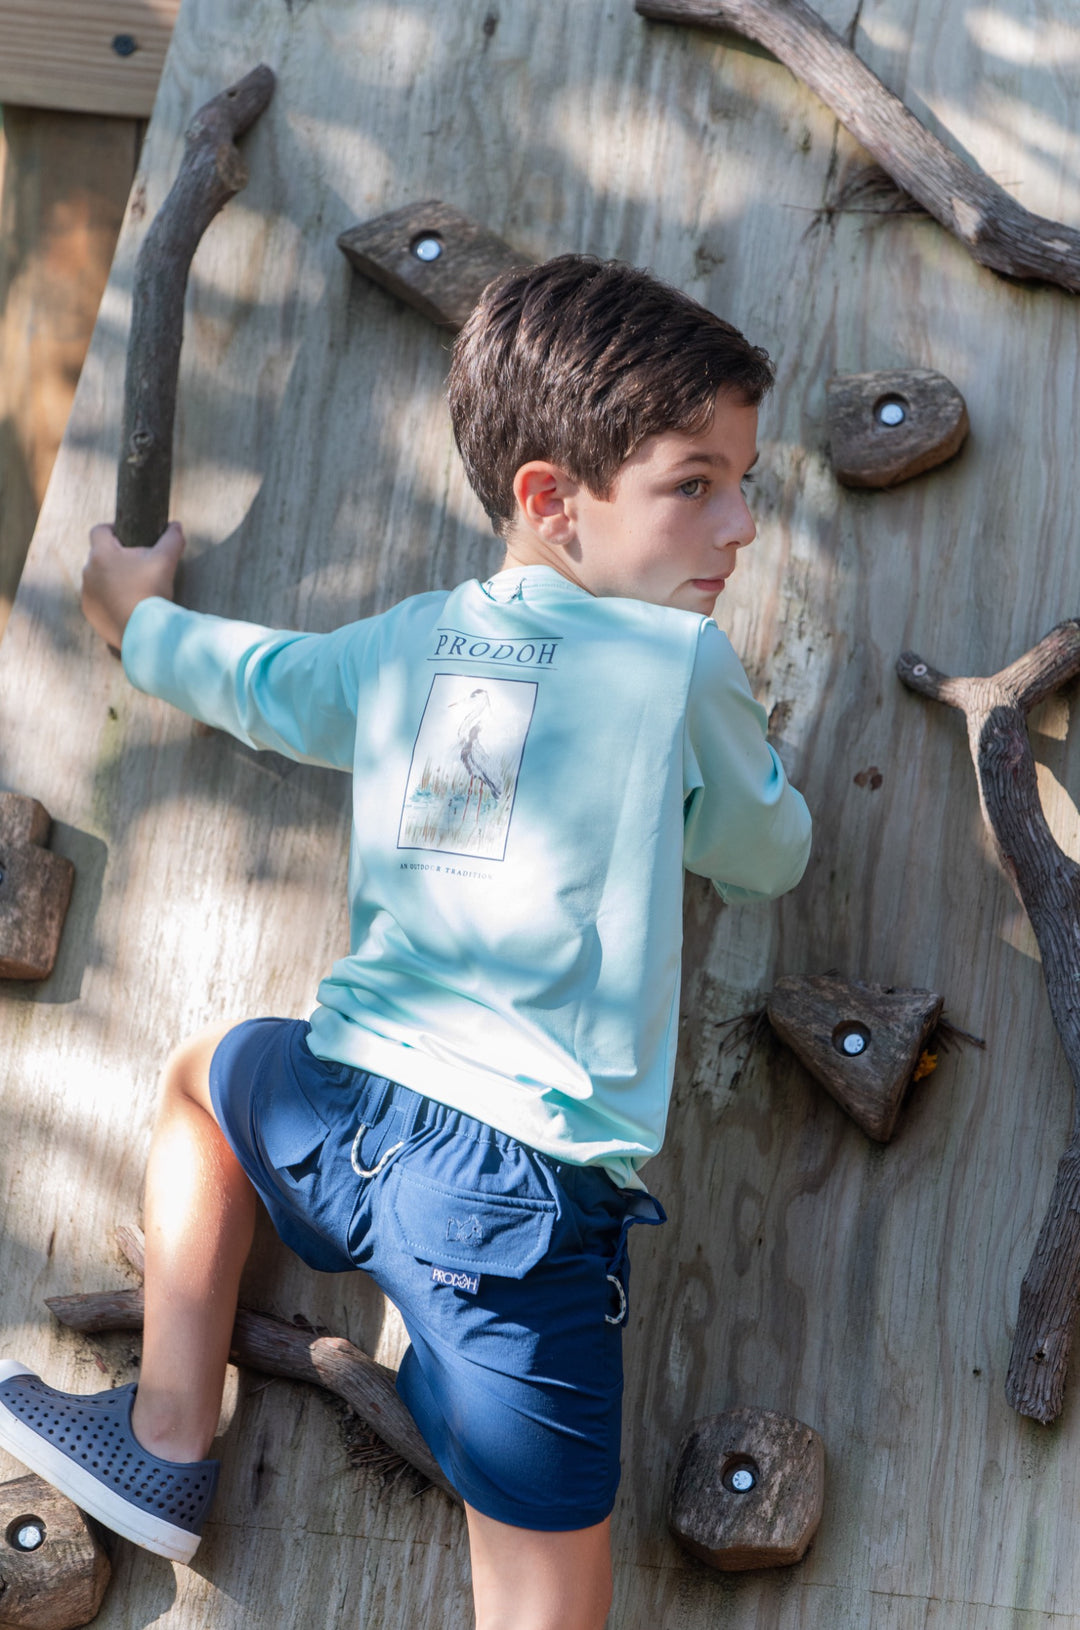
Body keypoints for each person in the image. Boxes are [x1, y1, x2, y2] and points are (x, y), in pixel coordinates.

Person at [0, 255, 810, 1630]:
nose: (739, 522)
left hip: (345, 1122)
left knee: (206, 1073)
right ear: (552, 499)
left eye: (742, 480)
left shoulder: (407, 645)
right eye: (696, 483)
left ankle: (168, 1431)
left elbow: (256, 683)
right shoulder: (677, 668)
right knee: (546, 1606)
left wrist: (135, 617)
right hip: (514, 1212)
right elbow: (764, 851)